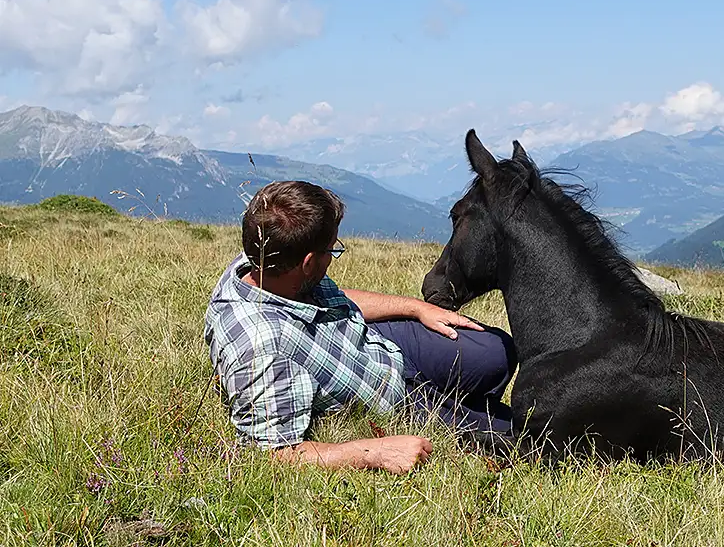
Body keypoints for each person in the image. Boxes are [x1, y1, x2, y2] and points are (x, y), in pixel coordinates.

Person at [203, 180, 516, 475]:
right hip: (391, 394)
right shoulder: (262, 348)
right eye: (331, 250)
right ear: (309, 262)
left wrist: (417, 308)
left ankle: (465, 399)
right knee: (522, 436)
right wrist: (373, 452)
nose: (333, 257)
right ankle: (465, 408)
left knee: (497, 351)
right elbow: (276, 453)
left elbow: (333, 297)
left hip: (378, 342)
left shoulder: (263, 257)